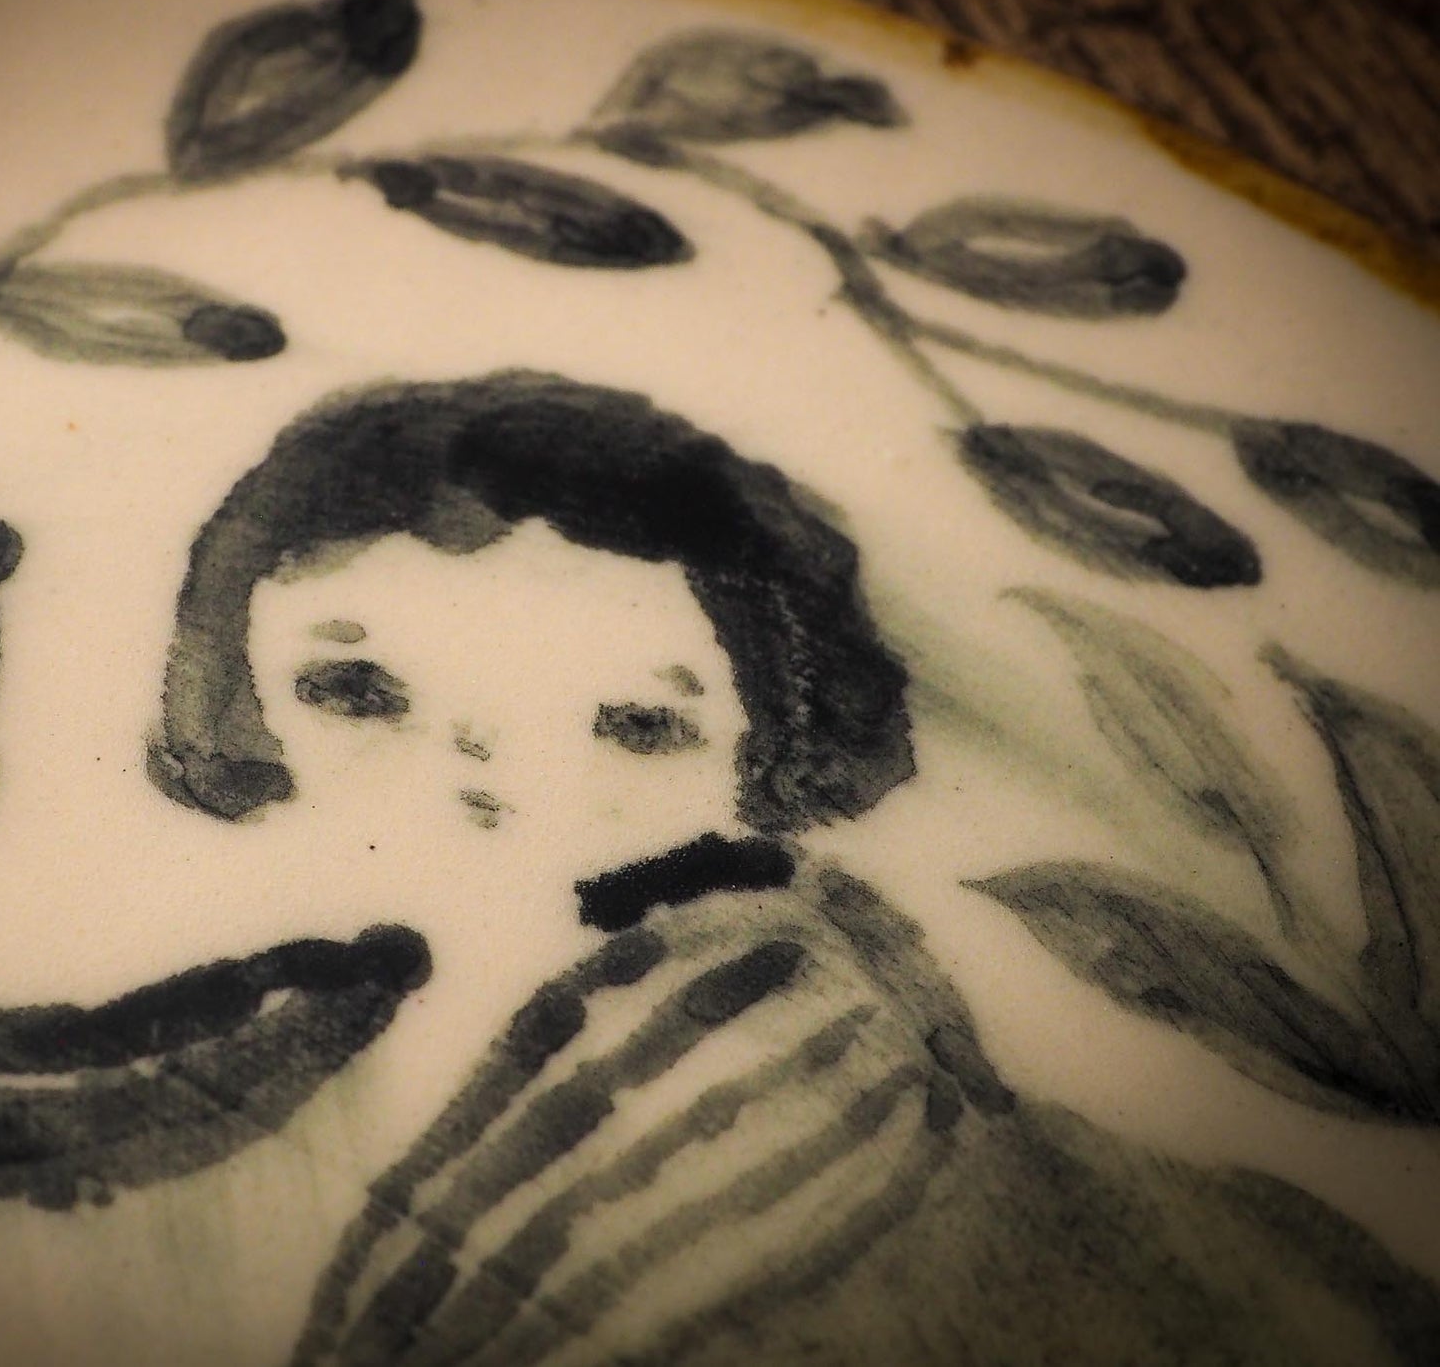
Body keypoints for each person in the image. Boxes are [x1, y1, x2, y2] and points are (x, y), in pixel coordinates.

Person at [148, 370, 1440, 1366]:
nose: (479, 777)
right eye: (354, 690)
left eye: (637, 724)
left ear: (774, 749)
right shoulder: (265, 1023)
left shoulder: (938, 1149)